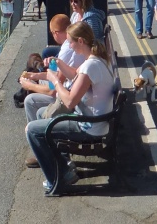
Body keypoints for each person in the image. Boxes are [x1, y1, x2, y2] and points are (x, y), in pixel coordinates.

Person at [24, 22, 115, 195]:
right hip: (95, 121)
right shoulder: (96, 58)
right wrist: (58, 63)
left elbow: (70, 102)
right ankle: (62, 164)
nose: (69, 46)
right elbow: (74, 74)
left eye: (70, 42)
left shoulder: (90, 65)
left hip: (89, 126)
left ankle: (58, 179)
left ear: (80, 41)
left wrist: (56, 81)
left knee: (32, 130)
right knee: (39, 113)